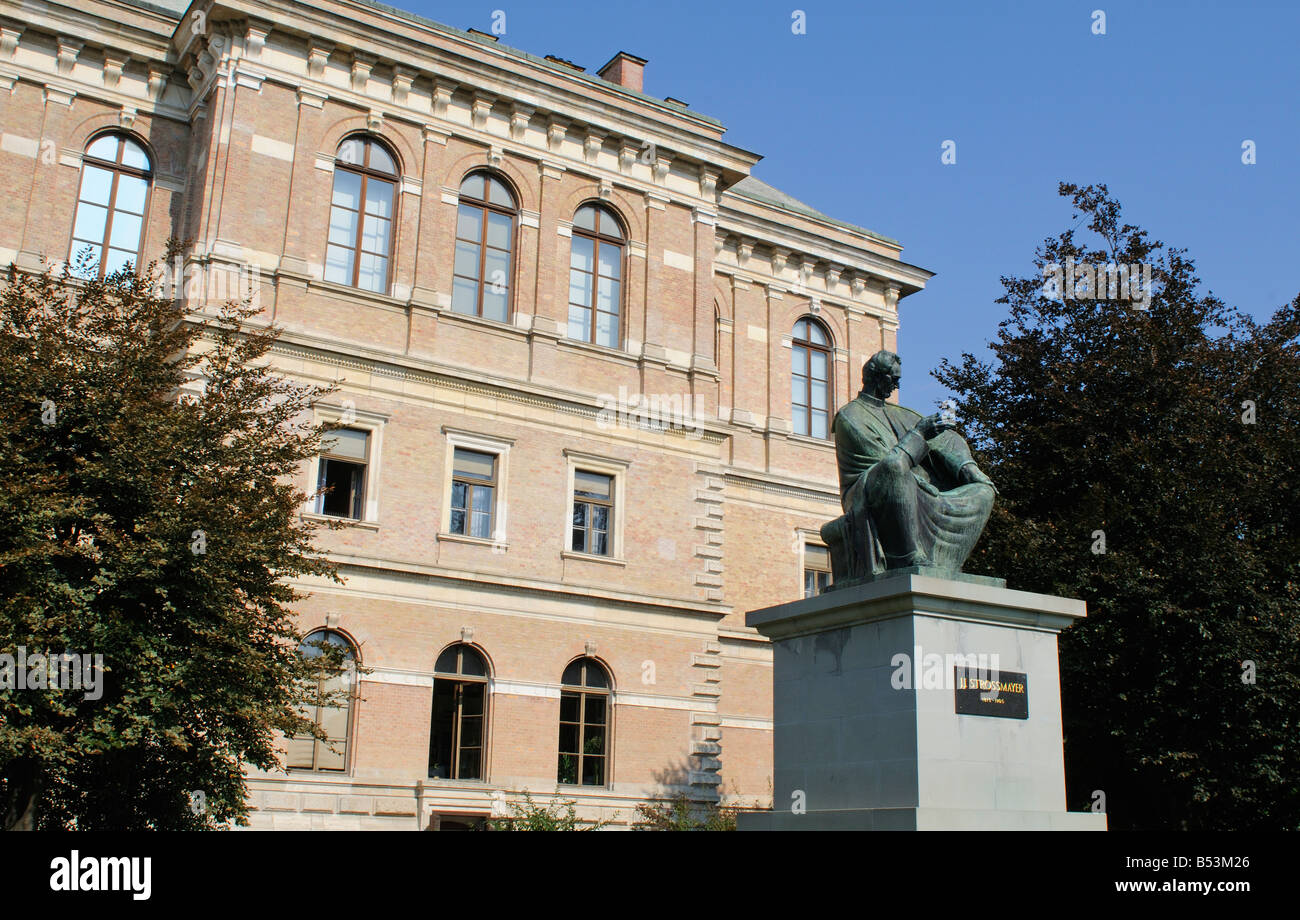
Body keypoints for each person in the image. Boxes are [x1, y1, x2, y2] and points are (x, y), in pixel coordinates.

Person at [821, 350, 995, 581]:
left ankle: (946, 564)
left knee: (984, 491)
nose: (896, 386)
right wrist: (920, 433)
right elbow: (887, 464)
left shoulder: (902, 414)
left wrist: (969, 469)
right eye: (893, 379)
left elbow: (948, 440)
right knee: (894, 469)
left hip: (917, 487)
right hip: (867, 492)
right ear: (876, 376)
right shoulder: (850, 417)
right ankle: (908, 554)